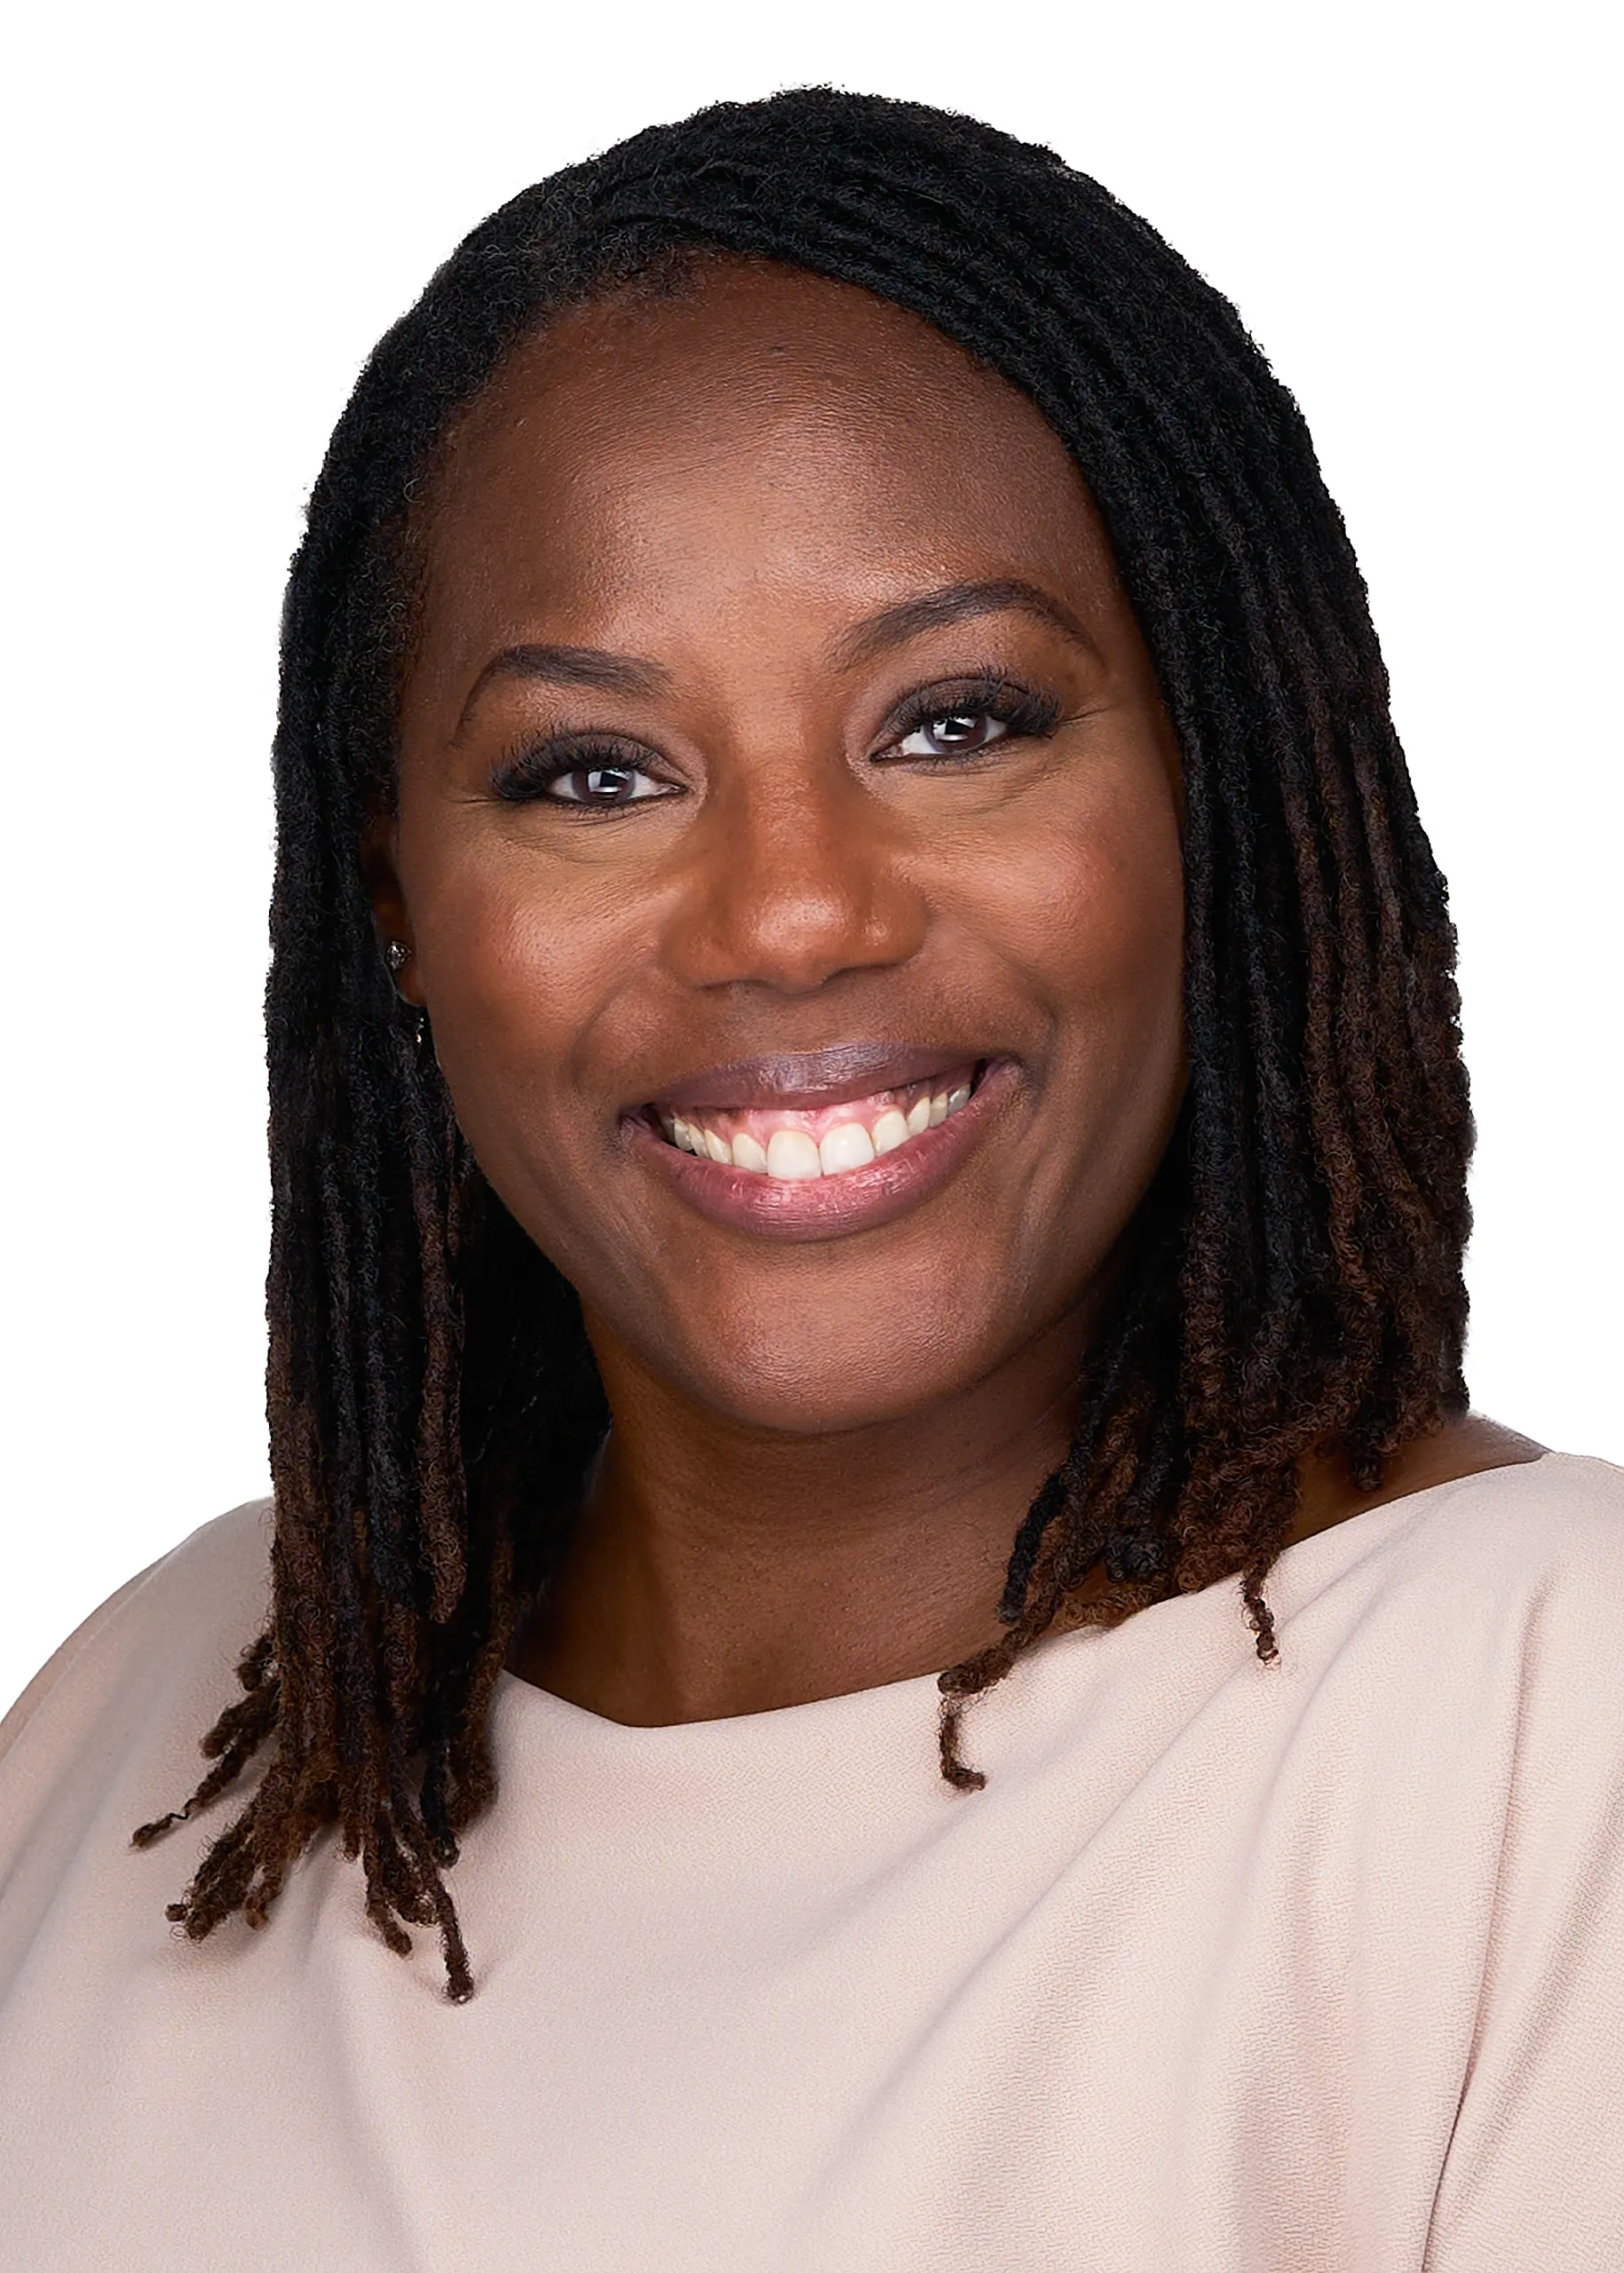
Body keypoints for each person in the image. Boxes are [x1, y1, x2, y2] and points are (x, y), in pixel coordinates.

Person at [1, 84, 1619, 2270]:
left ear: (1213, 783)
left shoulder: (1536, 1715)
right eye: (595, 769)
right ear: (400, 897)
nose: (786, 912)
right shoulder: (170, 1705)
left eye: (953, 720)